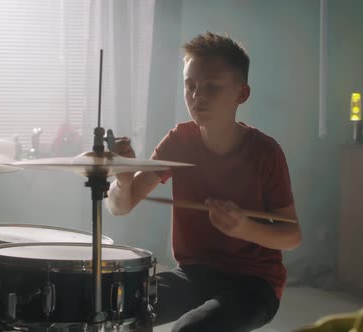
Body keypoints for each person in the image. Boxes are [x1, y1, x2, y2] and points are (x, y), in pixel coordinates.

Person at [106, 31, 301, 332]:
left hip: (254, 283)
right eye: (190, 85)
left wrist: (245, 228)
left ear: (242, 94)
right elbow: (121, 206)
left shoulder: (266, 151)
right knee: (116, 307)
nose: (197, 96)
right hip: (195, 274)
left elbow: (291, 235)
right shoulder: (179, 140)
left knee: (190, 329)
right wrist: (122, 177)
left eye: (212, 86)